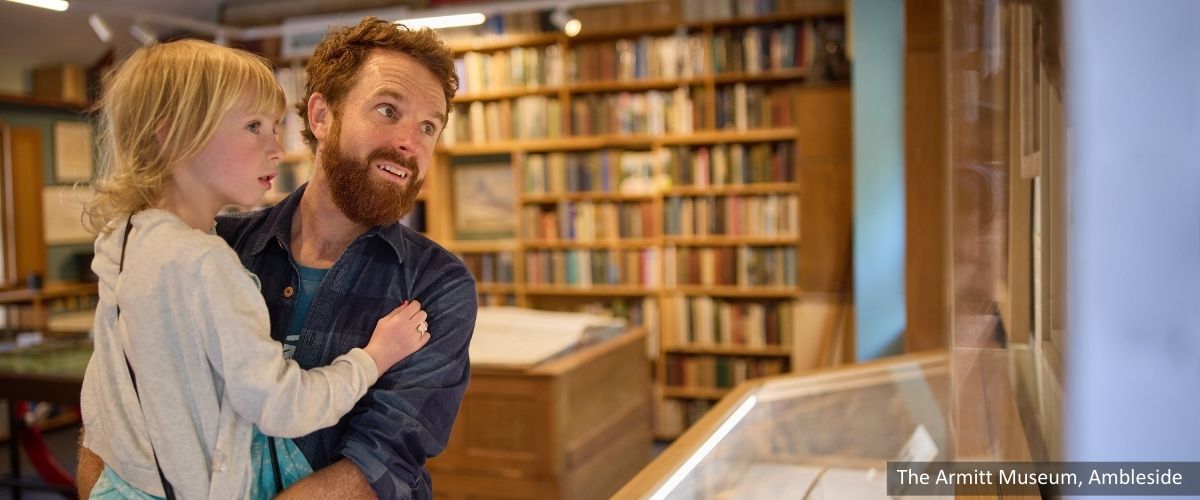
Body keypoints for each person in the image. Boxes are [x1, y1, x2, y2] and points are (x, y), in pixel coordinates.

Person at [78, 17, 479, 500]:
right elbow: (117, 401)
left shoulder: (437, 284)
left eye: (429, 127)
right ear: (321, 116)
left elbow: (379, 462)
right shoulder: (210, 252)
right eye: (388, 110)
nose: (410, 142)